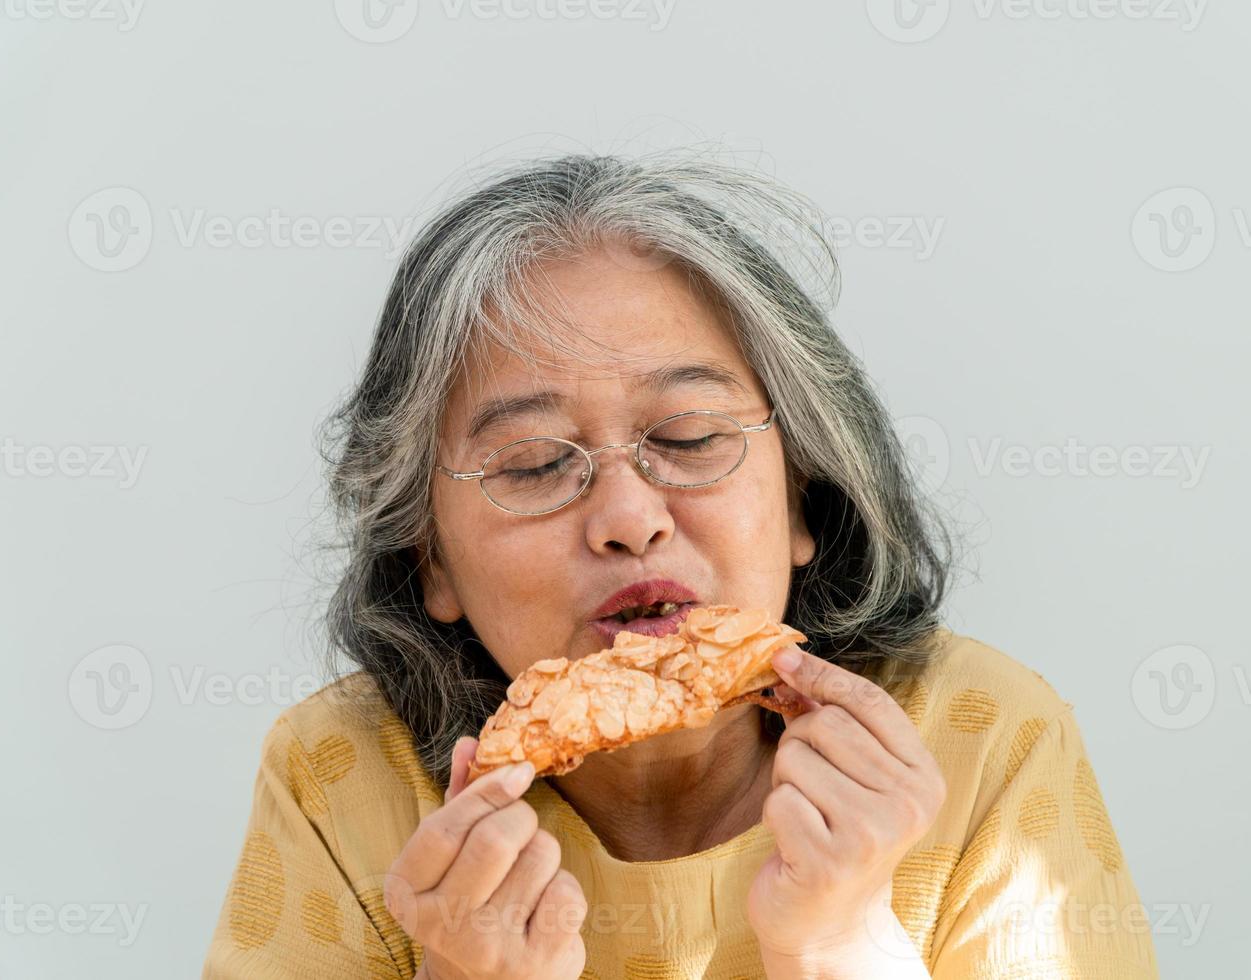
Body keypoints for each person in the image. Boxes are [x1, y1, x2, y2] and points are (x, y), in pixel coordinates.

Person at [202, 153, 1159, 979]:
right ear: (430, 558)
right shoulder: (342, 778)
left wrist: (842, 943)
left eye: (691, 437)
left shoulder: (981, 741)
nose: (629, 518)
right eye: (535, 464)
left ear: (801, 500)